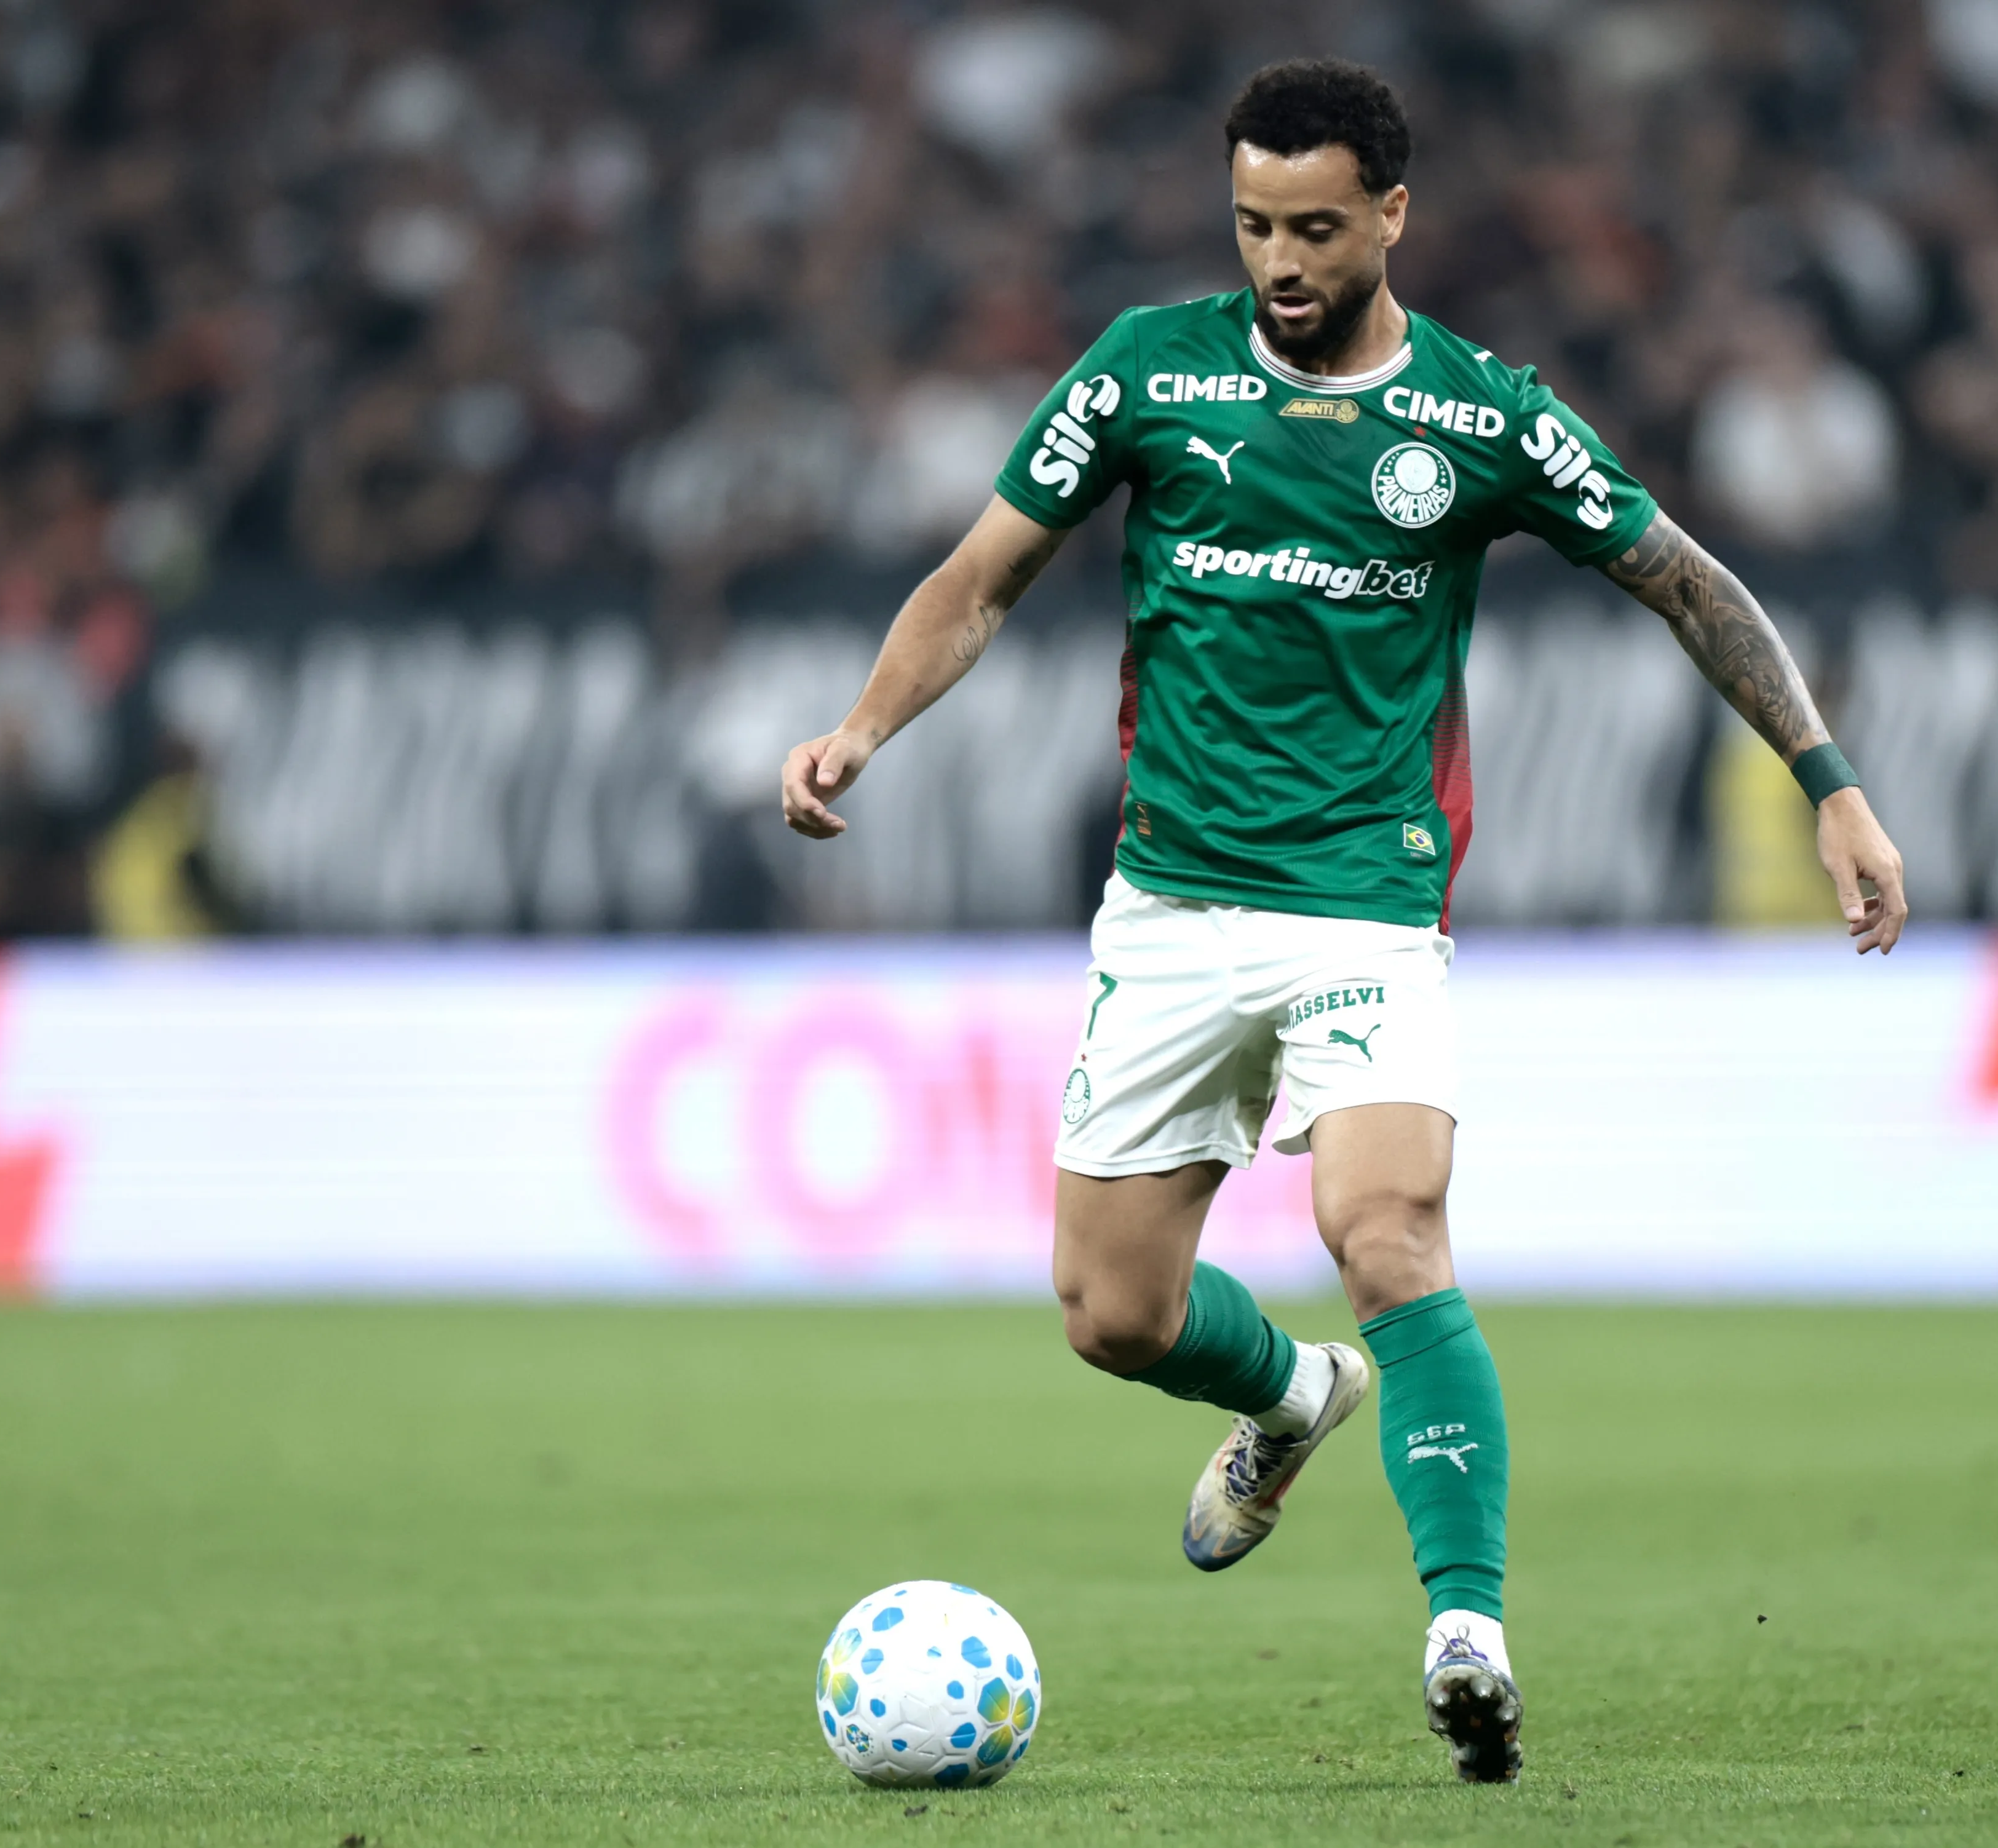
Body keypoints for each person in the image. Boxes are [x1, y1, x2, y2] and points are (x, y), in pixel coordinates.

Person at [779, 59, 1908, 1782]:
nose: (1280, 261)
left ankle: (1468, 1629)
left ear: (1391, 213)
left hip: (1366, 907)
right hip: (1168, 905)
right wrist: (863, 727)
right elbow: (980, 577)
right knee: (1113, 1315)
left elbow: (1687, 582)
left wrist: (1828, 779)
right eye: (1253, 226)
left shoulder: (1482, 418)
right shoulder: (1145, 371)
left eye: (1314, 227)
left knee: (1386, 1229)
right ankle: (1293, 1397)